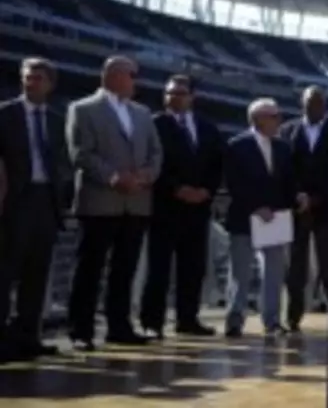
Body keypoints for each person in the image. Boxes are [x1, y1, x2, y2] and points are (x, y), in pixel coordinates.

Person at [65, 56, 163, 351]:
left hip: (136, 202)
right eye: (132, 75)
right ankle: (81, 330)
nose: (136, 81)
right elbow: (81, 153)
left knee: (125, 268)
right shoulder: (83, 109)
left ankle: (119, 326)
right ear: (114, 75)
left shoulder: (143, 113)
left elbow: (156, 153)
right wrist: (113, 177)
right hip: (100, 201)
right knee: (89, 269)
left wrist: (145, 175)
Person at [139, 75, 224, 339]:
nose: (173, 98)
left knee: (193, 267)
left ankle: (188, 319)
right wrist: (177, 188)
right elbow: (151, 162)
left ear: (192, 97)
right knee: (159, 268)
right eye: (169, 93)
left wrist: (206, 191)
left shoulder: (207, 128)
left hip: (198, 209)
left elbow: (216, 164)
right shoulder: (154, 124)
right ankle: (152, 321)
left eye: (180, 93)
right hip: (165, 206)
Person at [0, 58, 71, 361]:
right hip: (13, 201)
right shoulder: (4, 114)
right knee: (4, 273)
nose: (32, 83)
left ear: (50, 84)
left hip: (46, 202)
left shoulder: (57, 119)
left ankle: (28, 337)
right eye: (28, 77)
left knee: (37, 275)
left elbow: (63, 164)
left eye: (39, 78)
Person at [279, 86, 328, 332]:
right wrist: (297, 196)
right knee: (295, 268)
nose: (314, 107)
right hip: (296, 209)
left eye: (318, 102)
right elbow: (283, 170)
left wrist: (319, 198)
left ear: (325, 105)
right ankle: (293, 317)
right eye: (309, 102)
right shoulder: (287, 131)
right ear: (302, 104)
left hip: (326, 208)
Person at [224, 98, 299, 338]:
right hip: (245, 218)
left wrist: (297, 198)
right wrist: (256, 207)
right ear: (258, 119)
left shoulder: (283, 147)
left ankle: (272, 321)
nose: (279, 121)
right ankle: (235, 321)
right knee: (240, 273)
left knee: (274, 273)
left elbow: (289, 182)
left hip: (275, 218)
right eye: (274, 116)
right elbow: (234, 183)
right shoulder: (236, 145)